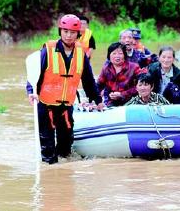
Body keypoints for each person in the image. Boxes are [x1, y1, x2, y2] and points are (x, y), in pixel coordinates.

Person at [26, 14, 104, 164]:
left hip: (66, 105)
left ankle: (64, 175)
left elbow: (88, 80)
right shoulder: (47, 50)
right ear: (60, 31)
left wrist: (97, 100)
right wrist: (31, 92)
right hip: (46, 104)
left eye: (72, 32)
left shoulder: (81, 53)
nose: (68, 35)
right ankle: (50, 172)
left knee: (66, 144)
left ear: (78, 34)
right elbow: (34, 74)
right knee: (48, 148)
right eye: (65, 31)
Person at [97, 42, 143, 107]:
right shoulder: (106, 69)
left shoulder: (134, 67)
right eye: (114, 53)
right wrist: (93, 99)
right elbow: (98, 86)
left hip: (132, 102)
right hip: (111, 102)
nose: (117, 56)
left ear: (124, 55)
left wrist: (122, 94)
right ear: (109, 56)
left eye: (120, 53)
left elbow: (142, 86)